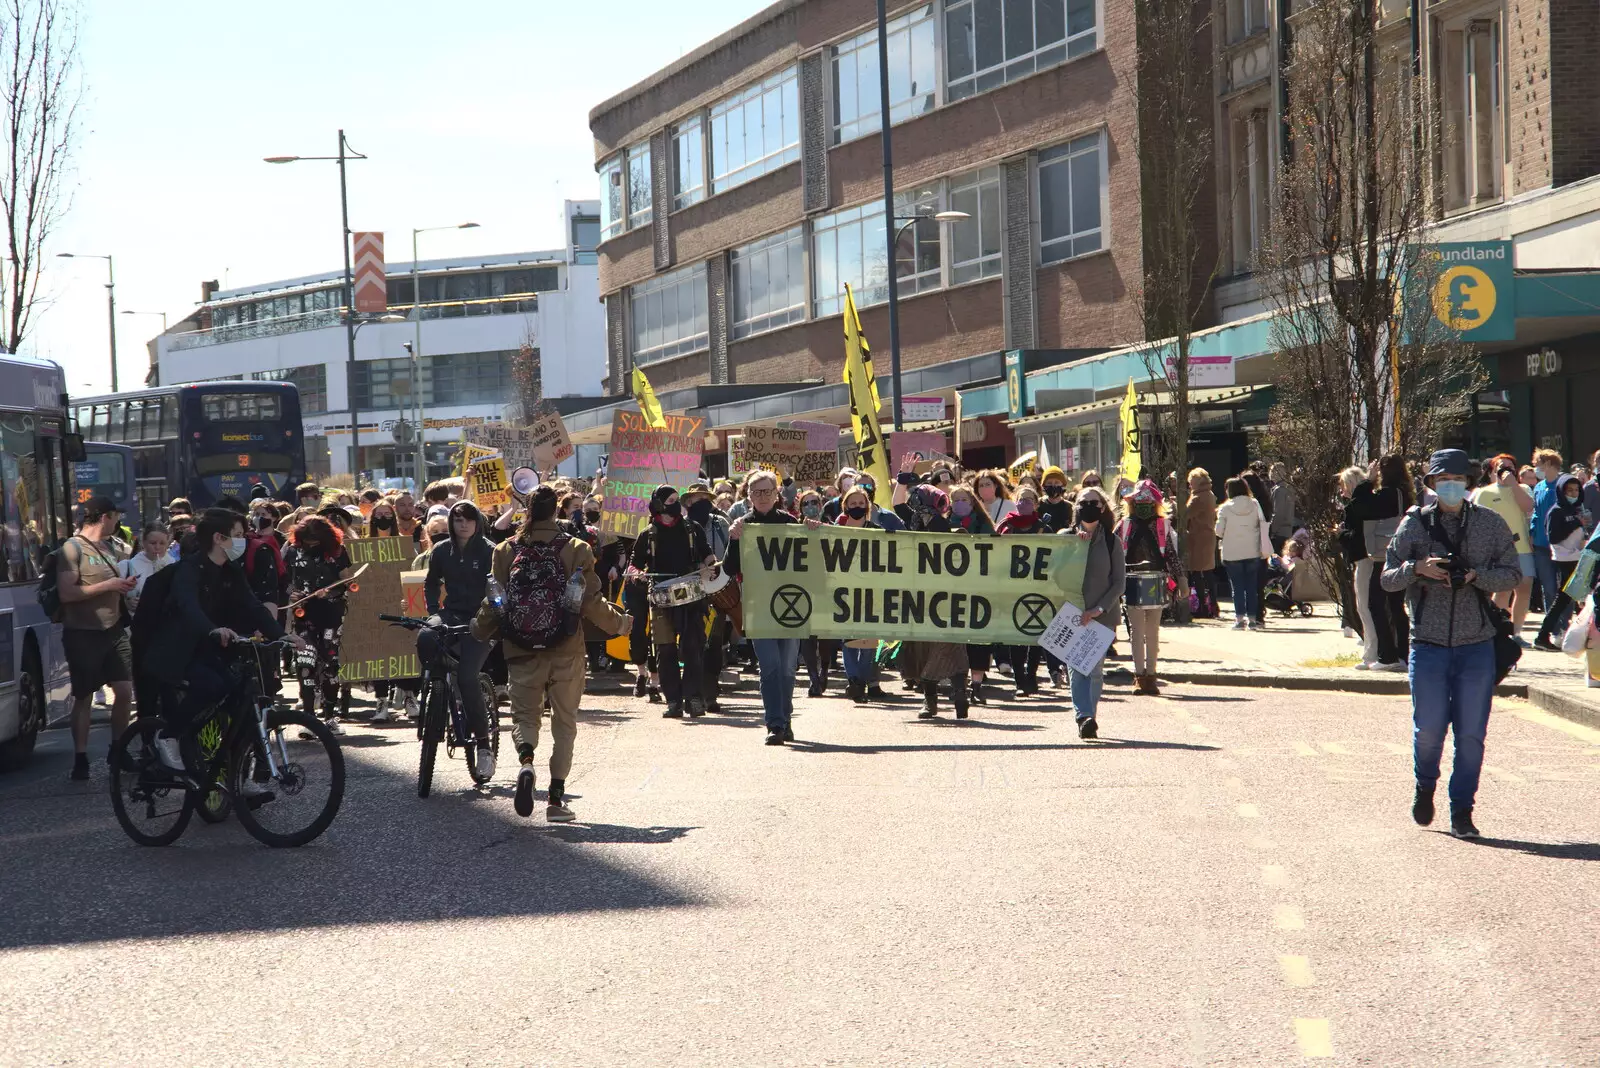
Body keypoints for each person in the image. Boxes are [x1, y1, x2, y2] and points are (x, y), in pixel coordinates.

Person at [1381, 448, 1519, 839]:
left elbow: (1512, 574)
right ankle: (1425, 787)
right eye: (1442, 482)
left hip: (1476, 644)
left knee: (1472, 735)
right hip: (1427, 644)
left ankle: (1463, 811)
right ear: (1431, 485)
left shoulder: (1491, 524)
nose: (1450, 487)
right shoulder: (1415, 525)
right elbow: (1388, 577)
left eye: (1456, 481)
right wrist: (1416, 568)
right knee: (1428, 731)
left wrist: (1477, 576)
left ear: (1469, 484)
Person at [471, 486, 630, 822]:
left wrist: (477, 630)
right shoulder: (576, 548)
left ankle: (527, 762)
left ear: (526, 509)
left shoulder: (505, 549)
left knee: (526, 719)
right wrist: (620, 624)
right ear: (557, 509)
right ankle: (556, 800)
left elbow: (495, 600)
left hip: (520, 646)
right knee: (564, 723)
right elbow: (590, 602)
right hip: (566, 647)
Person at [140, 508, 303, 772]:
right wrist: (213, 630)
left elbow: (254, 606)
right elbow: (188, 606)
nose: (242, 541)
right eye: (237, 535)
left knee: (241, 697)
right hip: (180, 650)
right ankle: (169, 735)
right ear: (218, 537)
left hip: (213, 648)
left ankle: (236, 775)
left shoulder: (231, 569)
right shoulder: (189, 569)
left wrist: (282, 635)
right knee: (212, 685)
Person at [727, 470, 811, 742]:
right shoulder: (742, 525)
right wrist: (734, 540)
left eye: (767, 491)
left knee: (787, 668)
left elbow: (812, 563)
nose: (762, 497)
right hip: (758, 606)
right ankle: (774, 723)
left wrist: (812, 532)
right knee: (770, 666)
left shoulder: (791, 523)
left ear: (777, 494)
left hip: (791, 606)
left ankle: (785, 717)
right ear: (748, 495)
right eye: (756, 492)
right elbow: (729, 568)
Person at [59, 497, 137, 779]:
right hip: (83, 633)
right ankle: (81, 757)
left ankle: (119, 748)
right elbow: (67, 593)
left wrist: (125, 588)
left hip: (114, 630)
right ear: (105, 516)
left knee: (125, 691)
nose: (118, 523)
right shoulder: (71, 548)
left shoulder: (112, 547)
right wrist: (111, 584)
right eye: (116, 517)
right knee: (84, 695)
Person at [421, 501, 497, 779]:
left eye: (468, 519)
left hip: (482, 619)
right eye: (457, 519)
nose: (463, 524)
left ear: (477, 522)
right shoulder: (441, 550)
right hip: (451, 615)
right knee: (427, 638)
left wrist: (493, 614)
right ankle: (434, 700)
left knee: (467, 678)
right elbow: (431, 582)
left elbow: (499, 587)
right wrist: (432, 612)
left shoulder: (490, 551)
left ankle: (484, 748)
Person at [630, 485, 717, 720]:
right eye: (670, 500)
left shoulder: (692, 528)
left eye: (677, 500)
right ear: (658, 504)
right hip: (659, 599)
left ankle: (694, 698)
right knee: (665, 650)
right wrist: (637, 575)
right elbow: (634, 563)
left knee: (693, 648)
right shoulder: (647, 533)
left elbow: (708, 556)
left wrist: (711, 567)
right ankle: (674, 701)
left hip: (691, 597)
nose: (676, 504)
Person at [283, 514, 354, 734]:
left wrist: (330, 590)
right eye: (307, 541)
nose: (311, 545)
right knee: (305, 662)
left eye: (315, 541)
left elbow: (348, 580)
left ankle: (331, 717)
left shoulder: (338, 551)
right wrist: (291, 592)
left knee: (330, 662)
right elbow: (282, 578)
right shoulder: (292, 550)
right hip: (304, 615)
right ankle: (308, 719)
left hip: (331, 614)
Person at [1063, 488, 1124, 739]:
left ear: (1103, 507)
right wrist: (1076, 547)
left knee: (1094, 669)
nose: (1089, 506)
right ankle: (1083, 717)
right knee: (1077, 667)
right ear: (1076, 506)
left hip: (1103, 616)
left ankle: (1090, 715)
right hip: (1071, 615)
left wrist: (1097, 609)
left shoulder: (1112, 541)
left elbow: (1118, 583)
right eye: (1083, 502)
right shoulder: (1065, 538)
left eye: (1094, 502)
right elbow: (1055, 576)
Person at [1116, 480, 1180, 695]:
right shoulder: (1125, 525)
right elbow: (1113, 551)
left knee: (1152, 630)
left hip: (1157, 579)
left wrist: (1181, 580)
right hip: (1131, 580)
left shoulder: (1162, 525)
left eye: (1148, 501)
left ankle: (1150, 675)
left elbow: (1171, 554)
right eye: (1140, 500)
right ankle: (1139, 674)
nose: (1144, 505)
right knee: (1137, 631)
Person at [1471, 455, 1535, 645]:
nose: (1506, 470)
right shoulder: (1485, 493)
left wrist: (1513, 485)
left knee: (1524, 590)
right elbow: (1478, 522)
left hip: (1522, 547)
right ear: (1492, 471)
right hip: (1498, 550)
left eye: (1510, 467)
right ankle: (1500, 630)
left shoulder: (1523, 489)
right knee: (1503, 590)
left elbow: (1528, 507)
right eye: (1501, 467)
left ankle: (1516, 632)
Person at [1361, 454, 1416, 670]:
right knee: (1396, 605)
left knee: (1376, 604)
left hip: (1383, 554)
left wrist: (1368, 480)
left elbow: (1363, 507)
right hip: (1402, 552)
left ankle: (1387, 655)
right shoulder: (1405, 493)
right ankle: (1403, 653)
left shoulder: (1386, 494)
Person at [682, 481, 733, 711]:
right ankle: (694, 692)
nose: (700, 504)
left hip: (718, 591)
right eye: (695, 500)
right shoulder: (681, 527)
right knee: (692, 643)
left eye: (705, 500)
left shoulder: (721, 524)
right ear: (688, 503)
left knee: (713, 643)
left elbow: (732, 553)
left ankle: (710, 693)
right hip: (690, 592)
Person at [996, 485, 1050, 698]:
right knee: (1015, 635)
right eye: (1021, 499)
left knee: (1036, 634)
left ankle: (1032, 675)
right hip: (1011, 589)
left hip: (1038, 589)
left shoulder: (1044, 528)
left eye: (1029, 500)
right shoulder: (1005, 526)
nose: (1024, 503)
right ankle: (1019, 678)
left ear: (1036, 504)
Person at [832, 485, 883, 703]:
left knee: (869, 641)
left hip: (872, 593)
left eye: (861, 504)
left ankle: (860, 680)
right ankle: (854, 681)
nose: (857, 507)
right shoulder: (836, 531)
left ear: (868, 507)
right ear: (845, 507)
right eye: (852, 504)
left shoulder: (877, 531)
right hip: (844, 593)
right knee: (849, 641)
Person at [1534, 473, 1590, 650]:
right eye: (1569, 490)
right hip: (1565, 559)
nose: (1573, 494)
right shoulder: (1556, 511)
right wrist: (1575, 523)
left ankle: (1580, 636)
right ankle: (1543, 636)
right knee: (1564, 599)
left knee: (1574, 598)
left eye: (1576, 490)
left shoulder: (1577, 510)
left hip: (1579, 556)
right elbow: (1554, 536)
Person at [1337, 466, 1381, 667]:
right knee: (1366, 607)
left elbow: (1357, 536)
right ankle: (1372, 652)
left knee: (1365, 607)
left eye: (1344, 486)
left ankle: (1371, 654)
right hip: (1368, 557)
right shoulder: (1368, 502)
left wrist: (1341, 534)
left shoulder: (1358, 506)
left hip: (1366, 558)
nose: (1342, 491)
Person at [1215, 478, 1267, 630]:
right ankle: (1252, 619)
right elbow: (1262, 523)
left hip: (1232, 553)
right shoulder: (1255, 504)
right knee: (1252, 586)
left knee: (1237, 587)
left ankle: (1239, 620)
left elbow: (1218, 531)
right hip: (1252, 551)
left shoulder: (1224, 508)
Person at [1529, 448, 1564, 610]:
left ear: (1548, 464)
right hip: (1541, 545)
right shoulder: (1538, 487)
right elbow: (1536, 513)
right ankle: (1553, 628)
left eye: (1538, 464)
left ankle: (1564, 625)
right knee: (1548, 588)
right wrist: (1532, 533)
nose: (1536, 468)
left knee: (1564, 589)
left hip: (1563, 545)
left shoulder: (1565, 485)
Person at [1184, 469, 1218, 619]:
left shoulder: (1197, 497)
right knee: (1209, 572)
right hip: (1209, 536)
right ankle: (1213, 605)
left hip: (1197, 538)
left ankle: (1203, 607)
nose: (1189, 484)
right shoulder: (1210, 494)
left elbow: (1186, 514)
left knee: (1197, 572)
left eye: (1191, 481)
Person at [119, 525, 170, 615]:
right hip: (136, 623)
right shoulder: (127, 566)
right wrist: (126, 603)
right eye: (153, 543)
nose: (157, 547)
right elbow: (113, 597)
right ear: (143, 542)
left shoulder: (174, 564)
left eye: (162, 543)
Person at [1267, 462, 1298, 546]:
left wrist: (1272, 531)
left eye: (1272, 471)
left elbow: (1278, 513)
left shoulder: (1279, 490)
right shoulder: (1289, 489)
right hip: (1287, 532)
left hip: (1279, 533)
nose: (1270, 474)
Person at [1038, 466, 1074, 530]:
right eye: (1049, 483)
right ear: (1044, 485)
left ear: (1062, 484)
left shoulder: (1069, 507)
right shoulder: (1038, 504)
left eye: (1057, 482)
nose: (1053, 485)